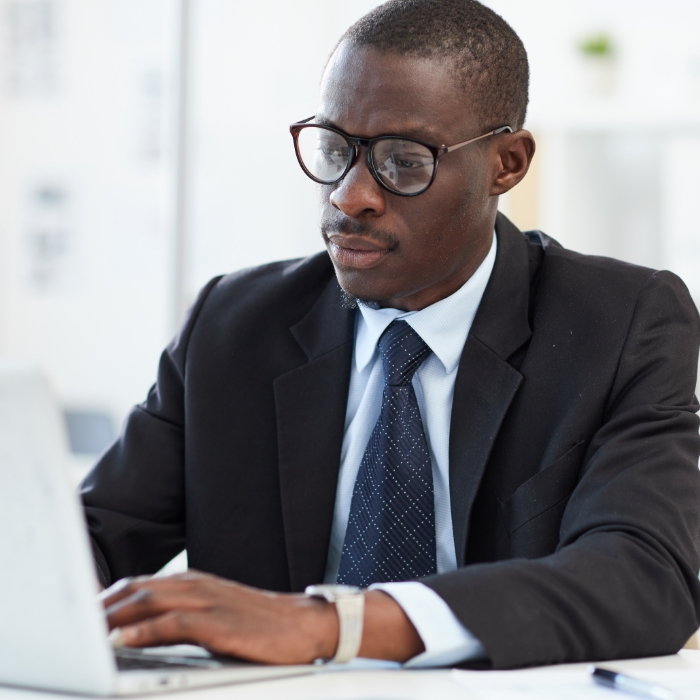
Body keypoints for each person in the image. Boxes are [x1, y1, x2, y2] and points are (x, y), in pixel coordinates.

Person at [85, 0, 700, 670]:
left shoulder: (619, 322)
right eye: (333, 149)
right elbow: (88, 542)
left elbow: (647, 575)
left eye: (402, 162)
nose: (350, 196)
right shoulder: (233, 325)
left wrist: (334, 626)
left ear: (507, 164)